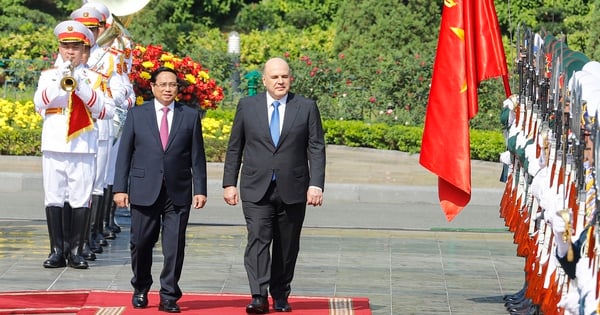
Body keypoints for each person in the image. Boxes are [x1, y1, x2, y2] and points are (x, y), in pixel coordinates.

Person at [222, 57, 326, 313]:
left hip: (293, 187)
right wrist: (229, 183)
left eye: (284, 76)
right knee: (257, 239)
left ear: (291, 78)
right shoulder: (248, 106)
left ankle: (280, 294)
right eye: (275, 77)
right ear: (265, 81)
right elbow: (235, 146)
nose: (280, 81)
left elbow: (316, 147)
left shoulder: (306, 107)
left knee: (286, 245)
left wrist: (316, 184)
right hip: (256, 186)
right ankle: (258, 295)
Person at [113, 67, 207, 313]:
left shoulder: (189, 115)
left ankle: (169, 295)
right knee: (141, 242)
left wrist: (201, 189)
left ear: (178, 89)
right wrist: (120, 188)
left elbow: (197, 156)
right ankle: (141, 287)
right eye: (163, 84)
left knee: (174, 245)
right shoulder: (137, 115)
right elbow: (124, 154)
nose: (168, 89)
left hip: (178, 190)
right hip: (144, 189)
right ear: (153, 87)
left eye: (173, 85)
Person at [34, 20, 113, 269]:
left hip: (83, 147)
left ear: (84, 49)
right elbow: (40, 103)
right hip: (54, 145)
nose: (70, 52)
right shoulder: (48, 76)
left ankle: (76, 251)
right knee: (54, 198)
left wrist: (80, 87)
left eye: (76, 47)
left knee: (81, 199)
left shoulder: (94, 78)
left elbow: (105, 111)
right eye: (66, 46)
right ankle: (57, 250)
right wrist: (63, 82)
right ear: (59, 48)